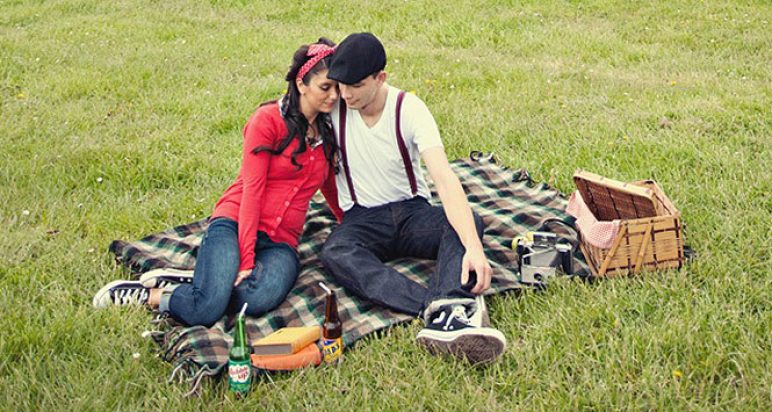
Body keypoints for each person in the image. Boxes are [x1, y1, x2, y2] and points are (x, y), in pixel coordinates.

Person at [93, 38, 344, 328]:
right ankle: (154, 295)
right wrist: (247, 258)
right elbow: (252, 190)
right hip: (236, 222)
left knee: (257, 301)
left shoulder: (329, 132)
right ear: (302, 84)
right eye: (325, 88)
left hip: (281, 242)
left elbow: (330, 189)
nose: (334, 96)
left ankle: (207, 281)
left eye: (337, 87)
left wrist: (349, 227)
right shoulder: (267, 121)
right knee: (206, 310)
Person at [320, 33, 506, 364]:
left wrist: (475, 249)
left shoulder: (409, 109)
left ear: (381, 78)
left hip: (411, 214)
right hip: (362, 219)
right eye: (341, 84)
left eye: (356, 85)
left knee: (468, 224)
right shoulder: (334, 108)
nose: (345, 93)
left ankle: (447, 304)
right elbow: (290, 102)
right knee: (336, 251)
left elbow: (445, 179)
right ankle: (440, 308)